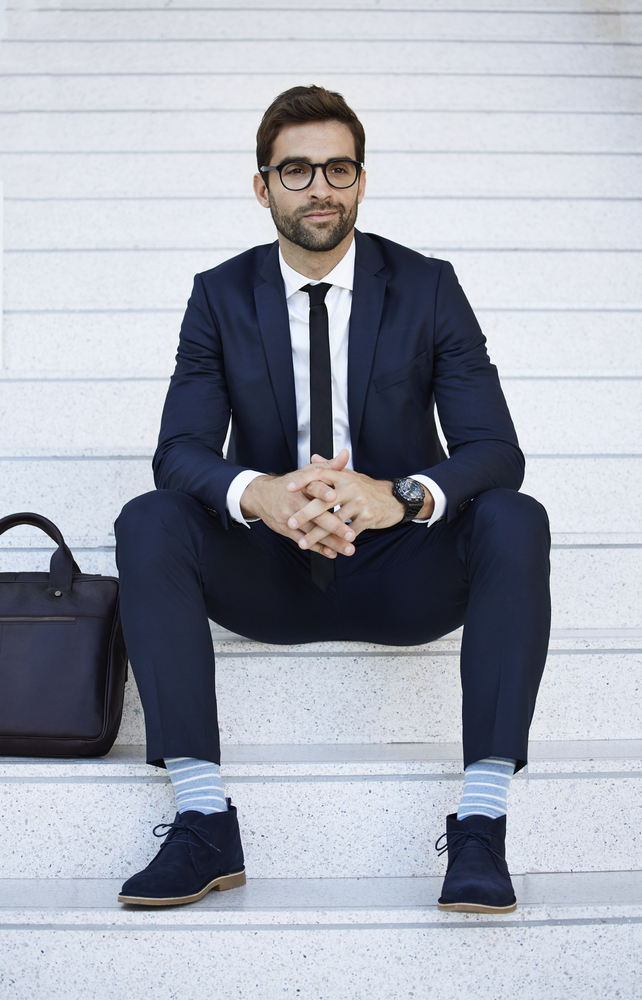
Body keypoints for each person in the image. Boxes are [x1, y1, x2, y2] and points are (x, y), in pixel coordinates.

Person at [114, 85, 551, 912]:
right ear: (263, 186)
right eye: (297, 170)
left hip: (399, 571)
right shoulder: (218, 293)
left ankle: (481, 825)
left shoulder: (427, 286)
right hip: (268, 574)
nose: (320, 187)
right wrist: (263, 494)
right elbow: (180, 452)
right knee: (151, 518)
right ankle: (203, 820)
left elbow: (496, 451)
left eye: (337, 168)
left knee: (511, 517)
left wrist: (400, 497)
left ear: (360, 179)